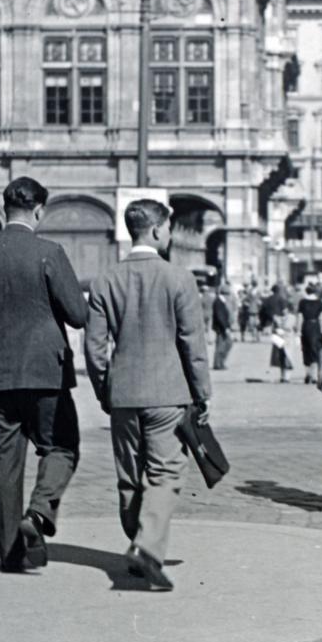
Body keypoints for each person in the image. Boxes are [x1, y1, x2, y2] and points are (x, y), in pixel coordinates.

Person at [0, 177, 88, 573]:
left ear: (4, 209)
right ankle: (40, 512)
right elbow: (78, 315)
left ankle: (11, 554)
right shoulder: (50, 252)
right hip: (46, 372)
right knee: (61, 445)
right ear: (39, 211)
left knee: (4, 466)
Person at [85, 198, 211, 591]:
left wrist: (106, 388)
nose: (170, 235)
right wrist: (201, 392)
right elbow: (192, 342)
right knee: (165, 472)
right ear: (157, 231)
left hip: (123, 393)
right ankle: (147, 548)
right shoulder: (179, 279)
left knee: (129, 475)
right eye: (169, 228)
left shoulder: (105, 281)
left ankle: (137, 542)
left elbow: (94, 346)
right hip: (168, 394)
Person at [298, 280, 322, 385]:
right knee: (315, 350)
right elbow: (321, 318)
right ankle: (313, 376)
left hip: (305, 325)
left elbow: (300, 317)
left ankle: (307, 373)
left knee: (305, 349)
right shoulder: (319, 303)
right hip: (315, 327)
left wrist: (298, 330)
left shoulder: (302, 302)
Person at [211, 283, 234, 371]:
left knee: (223, 345)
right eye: (228, 294)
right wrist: (226, 328)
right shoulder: (219, 302)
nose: (229, 296)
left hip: (222, 327)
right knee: (223, 345)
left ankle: (220, 363)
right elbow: (220, 317)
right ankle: (218, 363)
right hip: (221, 328)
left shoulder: (220, 301)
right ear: (225, 294)